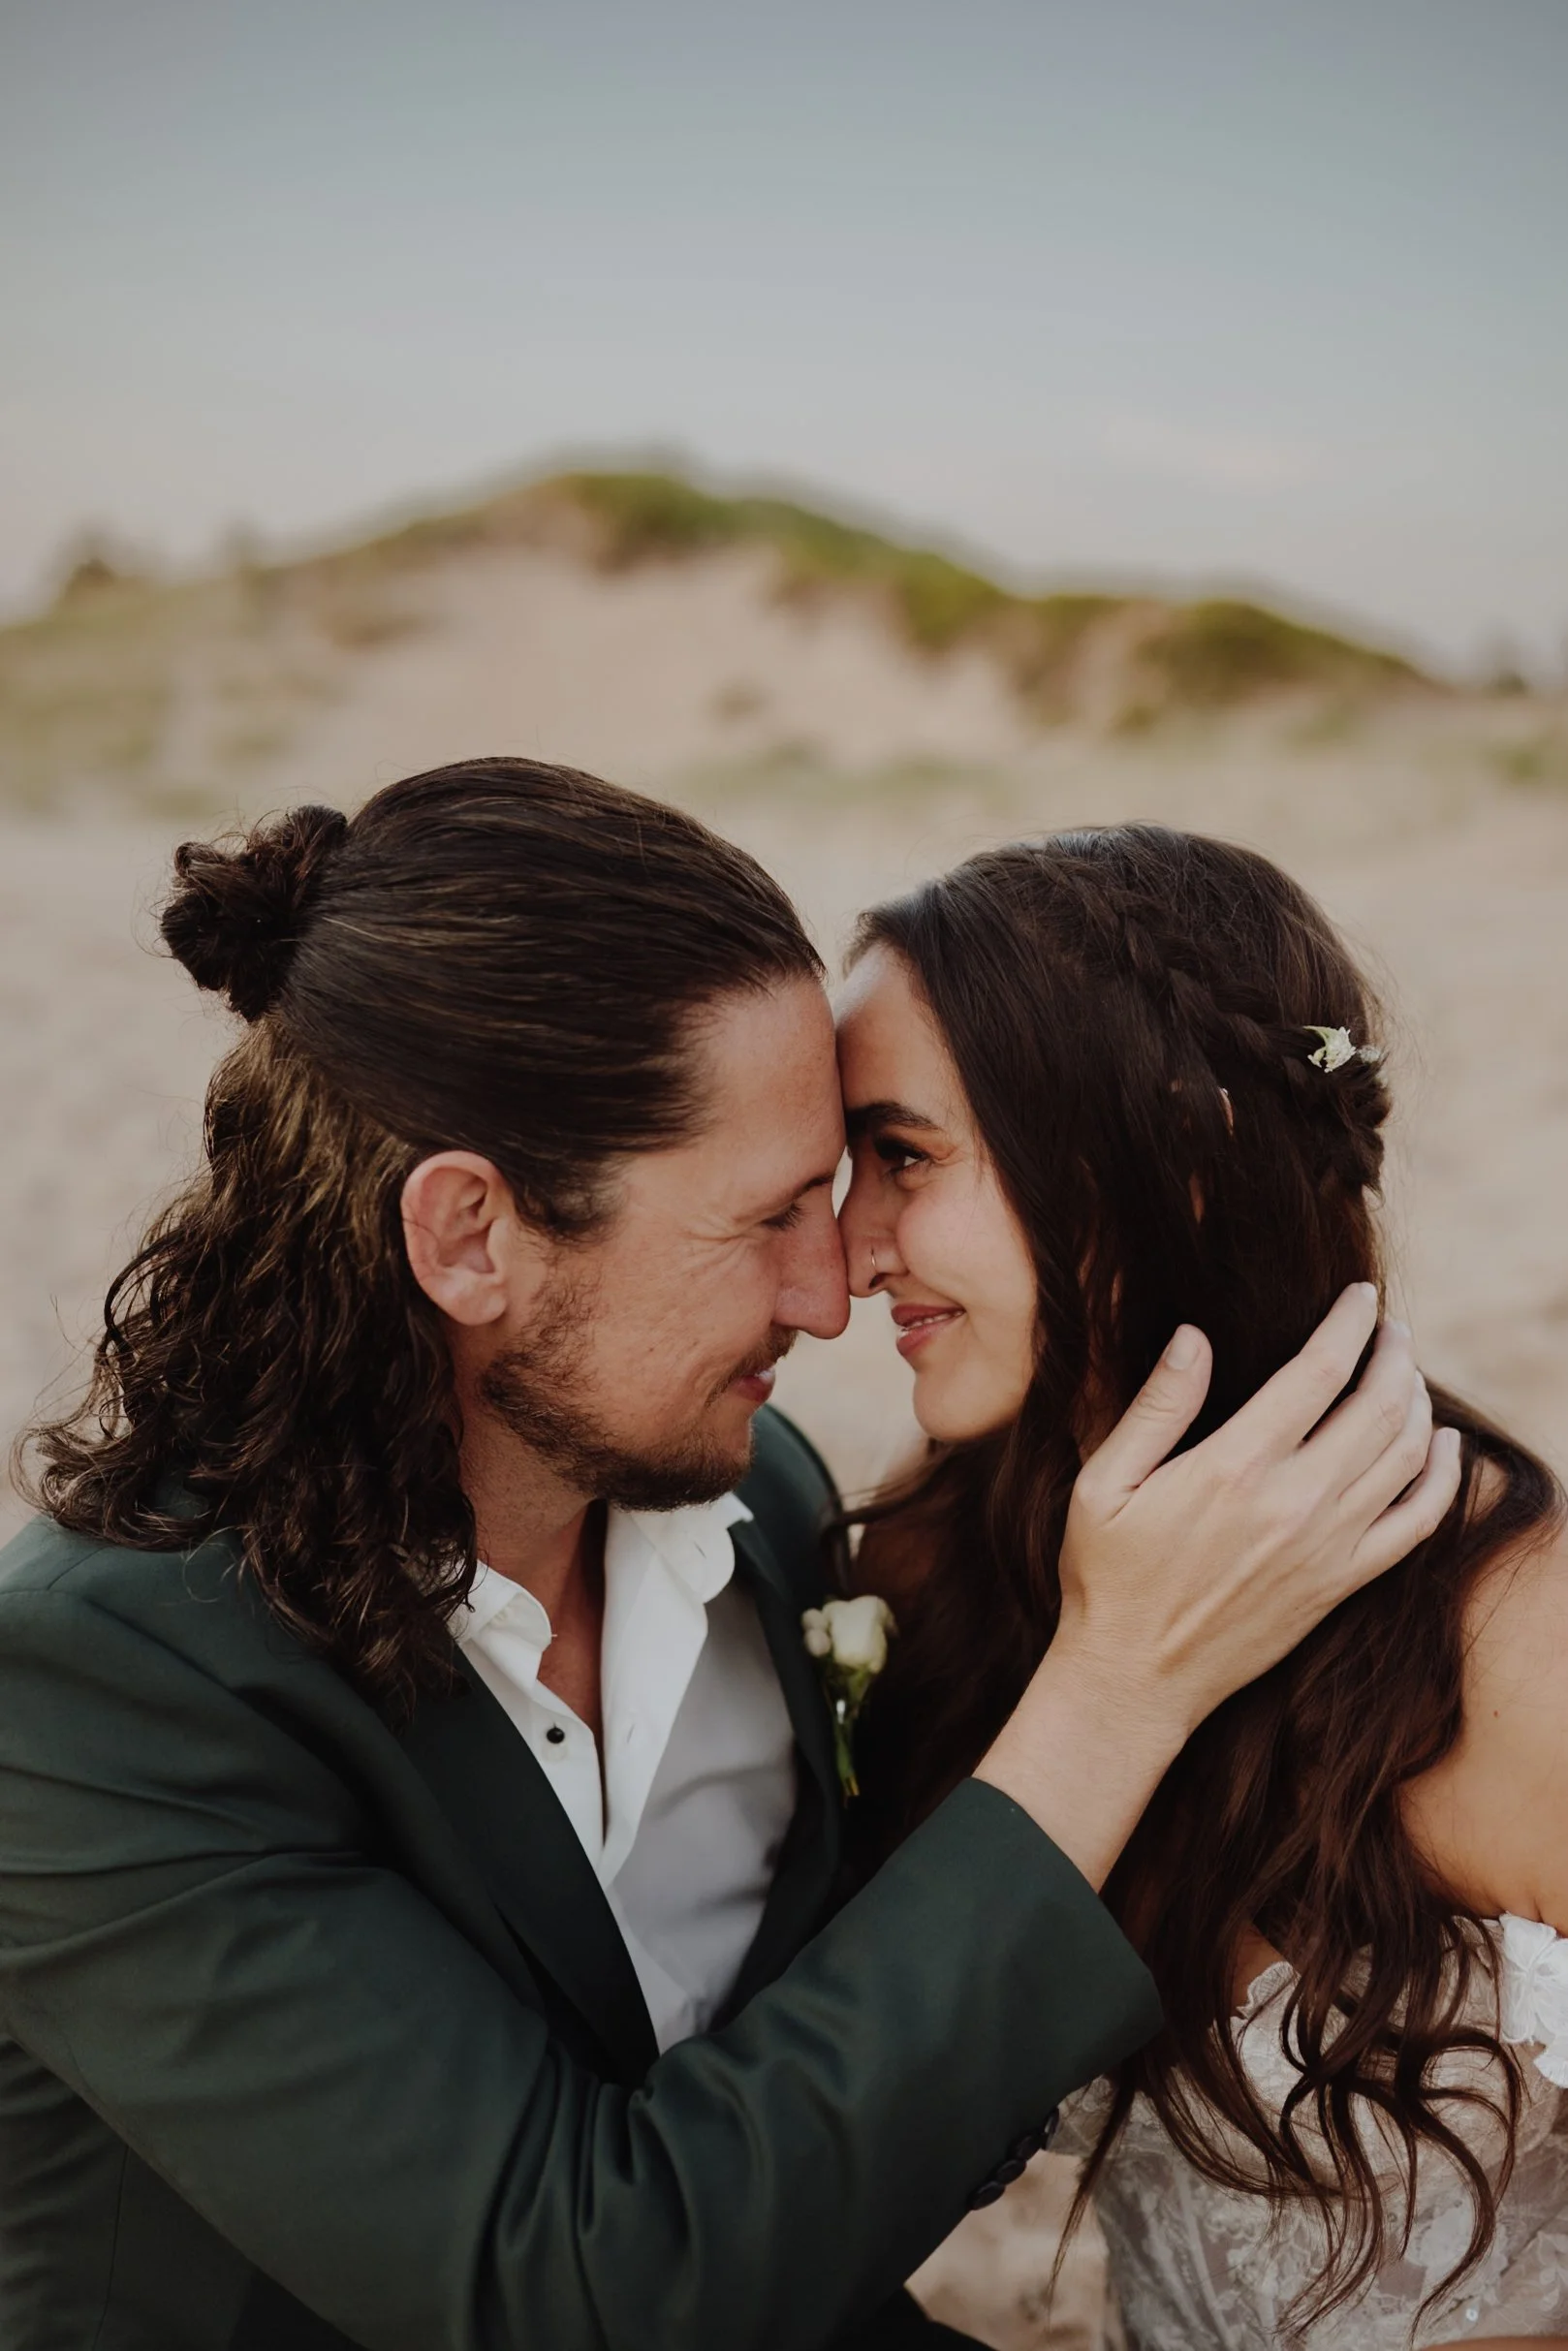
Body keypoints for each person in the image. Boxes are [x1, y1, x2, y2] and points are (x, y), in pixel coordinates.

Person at [0, 762, 1454, 2351]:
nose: (829, 1294)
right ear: (469, 1235)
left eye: (847, 1189)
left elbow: (842, 2095)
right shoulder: (99, 1692)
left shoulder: (757, 1498)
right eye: (765, 1219)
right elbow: (583, 2292)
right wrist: (1116, 1690)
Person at [833, 822, 1568, 2351]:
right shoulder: (941, 1560)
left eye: (903, 1158)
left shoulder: (1517, 1636)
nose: (849, 1250)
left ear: (1162, 1162)